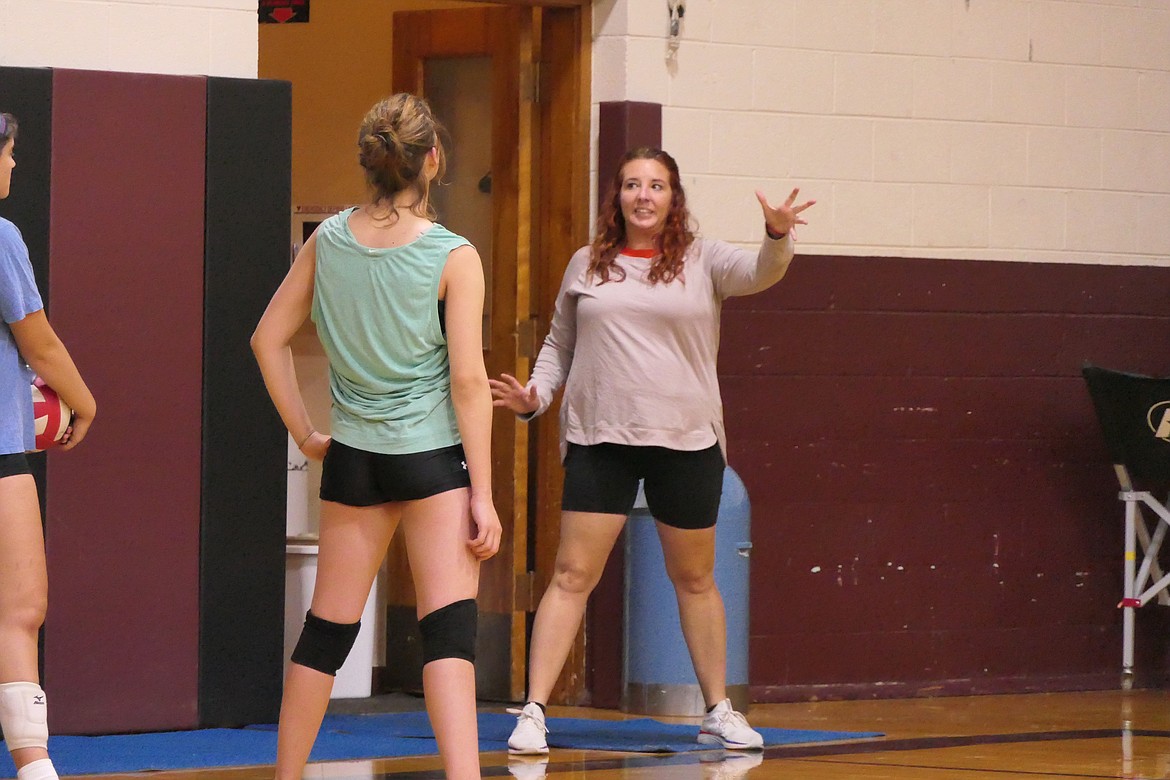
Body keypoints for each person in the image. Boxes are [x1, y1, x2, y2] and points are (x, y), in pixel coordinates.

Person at [491, 147, 814, 754]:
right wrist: (535, 396)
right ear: (617, 197)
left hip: (686, 442)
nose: (644, 195)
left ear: (673, 197)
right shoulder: (587, 264)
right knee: (571, 575)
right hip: (600, 439)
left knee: (694, 577)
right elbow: (559, 344)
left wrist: (776, 234)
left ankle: (718, 709)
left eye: (656, 186)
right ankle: (533, 711)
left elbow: (761, 274)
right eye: (632, 185)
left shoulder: (704, 259)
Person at [251, 93, 501, 780]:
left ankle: (286, 776)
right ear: (434, 160)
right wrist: (483, 492)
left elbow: (266, 339)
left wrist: (304, 432)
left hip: (354, 462)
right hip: (430, 463)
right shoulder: (455, 255)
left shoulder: (326, 241)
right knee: (448, 634)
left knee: (324, 633)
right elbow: (469, 384)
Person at [0, 112, 97, 780]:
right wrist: (85, 402)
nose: (11, 167)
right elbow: (38, 341)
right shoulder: (1, 235)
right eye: (8, 153)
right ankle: (35, 766)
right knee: (21, 607)